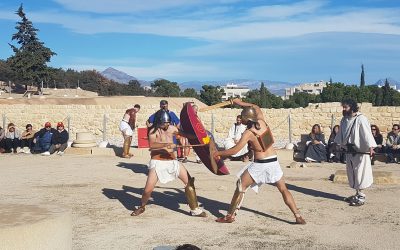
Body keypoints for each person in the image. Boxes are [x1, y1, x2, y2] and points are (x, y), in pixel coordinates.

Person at [213, 99, 306, 224]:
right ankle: (298, 216)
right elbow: (255, 106)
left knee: (241, 185)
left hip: (261, 164)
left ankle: (230, 216)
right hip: (274, 161)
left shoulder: (248, 133)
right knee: (283, 189)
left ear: (246, 118)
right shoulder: (262, 122)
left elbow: (234, 150)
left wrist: (218, 153)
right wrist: (239, 102)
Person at [131, 109, 207, 218]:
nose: (166, 125)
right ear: (158, 122)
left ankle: (194, 209)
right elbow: (152, 145)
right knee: (148, 190)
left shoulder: (172, 128)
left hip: (172, 161)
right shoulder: (153, 131)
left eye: (168, 123)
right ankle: (142, 206)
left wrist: (198, 136)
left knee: (189, 182)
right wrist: (166, 145)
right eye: (164, 123)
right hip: (158, 162)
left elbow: (184, 135)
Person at [334, 99, 376, 206]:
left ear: (352, 107)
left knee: (361, 172)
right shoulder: (344, 120)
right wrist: (338, 144)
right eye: (343, 107)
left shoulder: (361, 119)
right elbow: (341, 134)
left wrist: (371, 147)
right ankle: (357, 193)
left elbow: (367, 134)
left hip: (360, 151)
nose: (343, 109)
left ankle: (361, 196)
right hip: (349, 150)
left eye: (346, 107)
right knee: (352, 172)